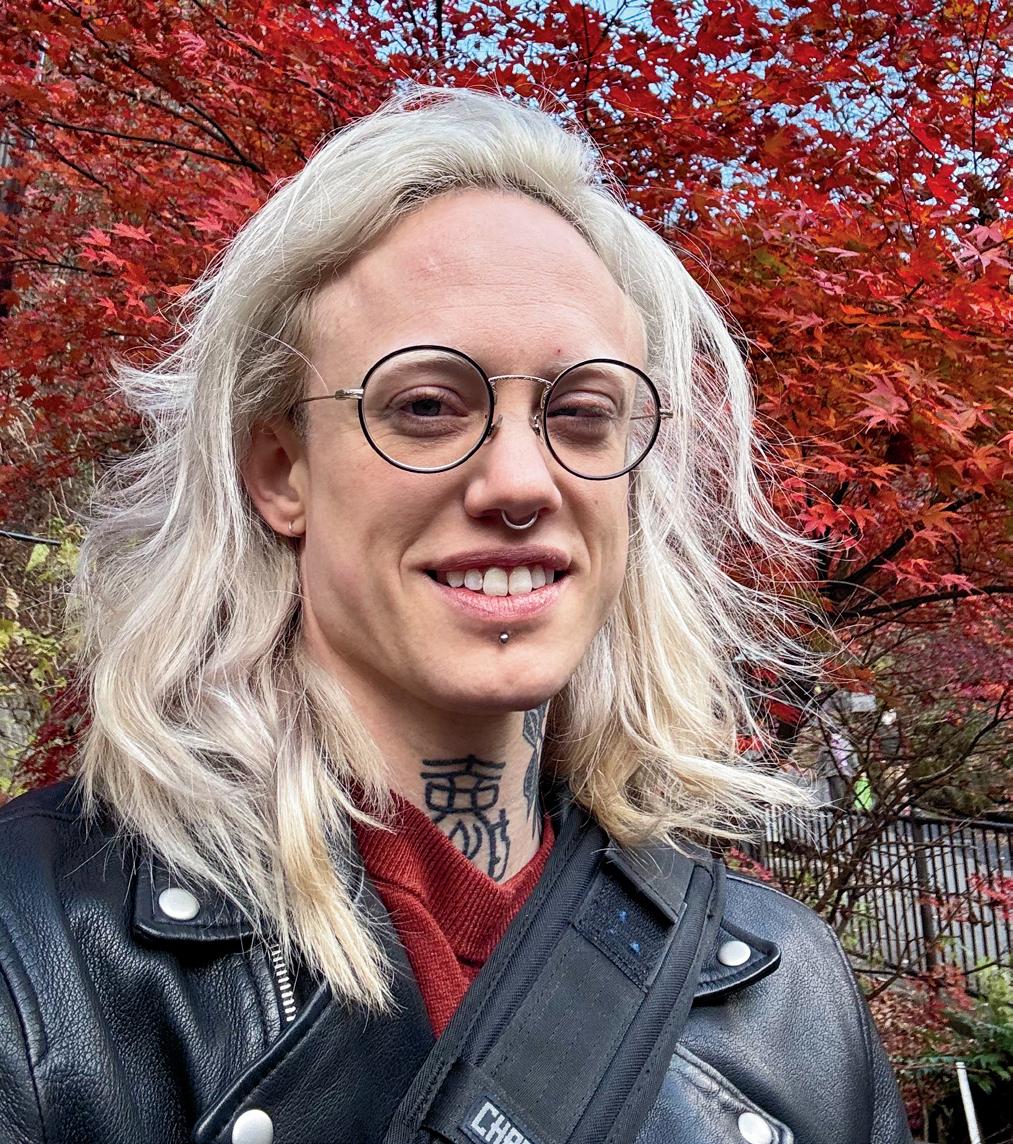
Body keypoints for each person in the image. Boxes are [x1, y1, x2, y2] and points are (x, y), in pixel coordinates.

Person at [0, 87, 912, 1144]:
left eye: (581, 413)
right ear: (281, 469)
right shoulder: (34, 953)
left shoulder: (791, 1002)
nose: (521, 481)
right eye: (426, 406)